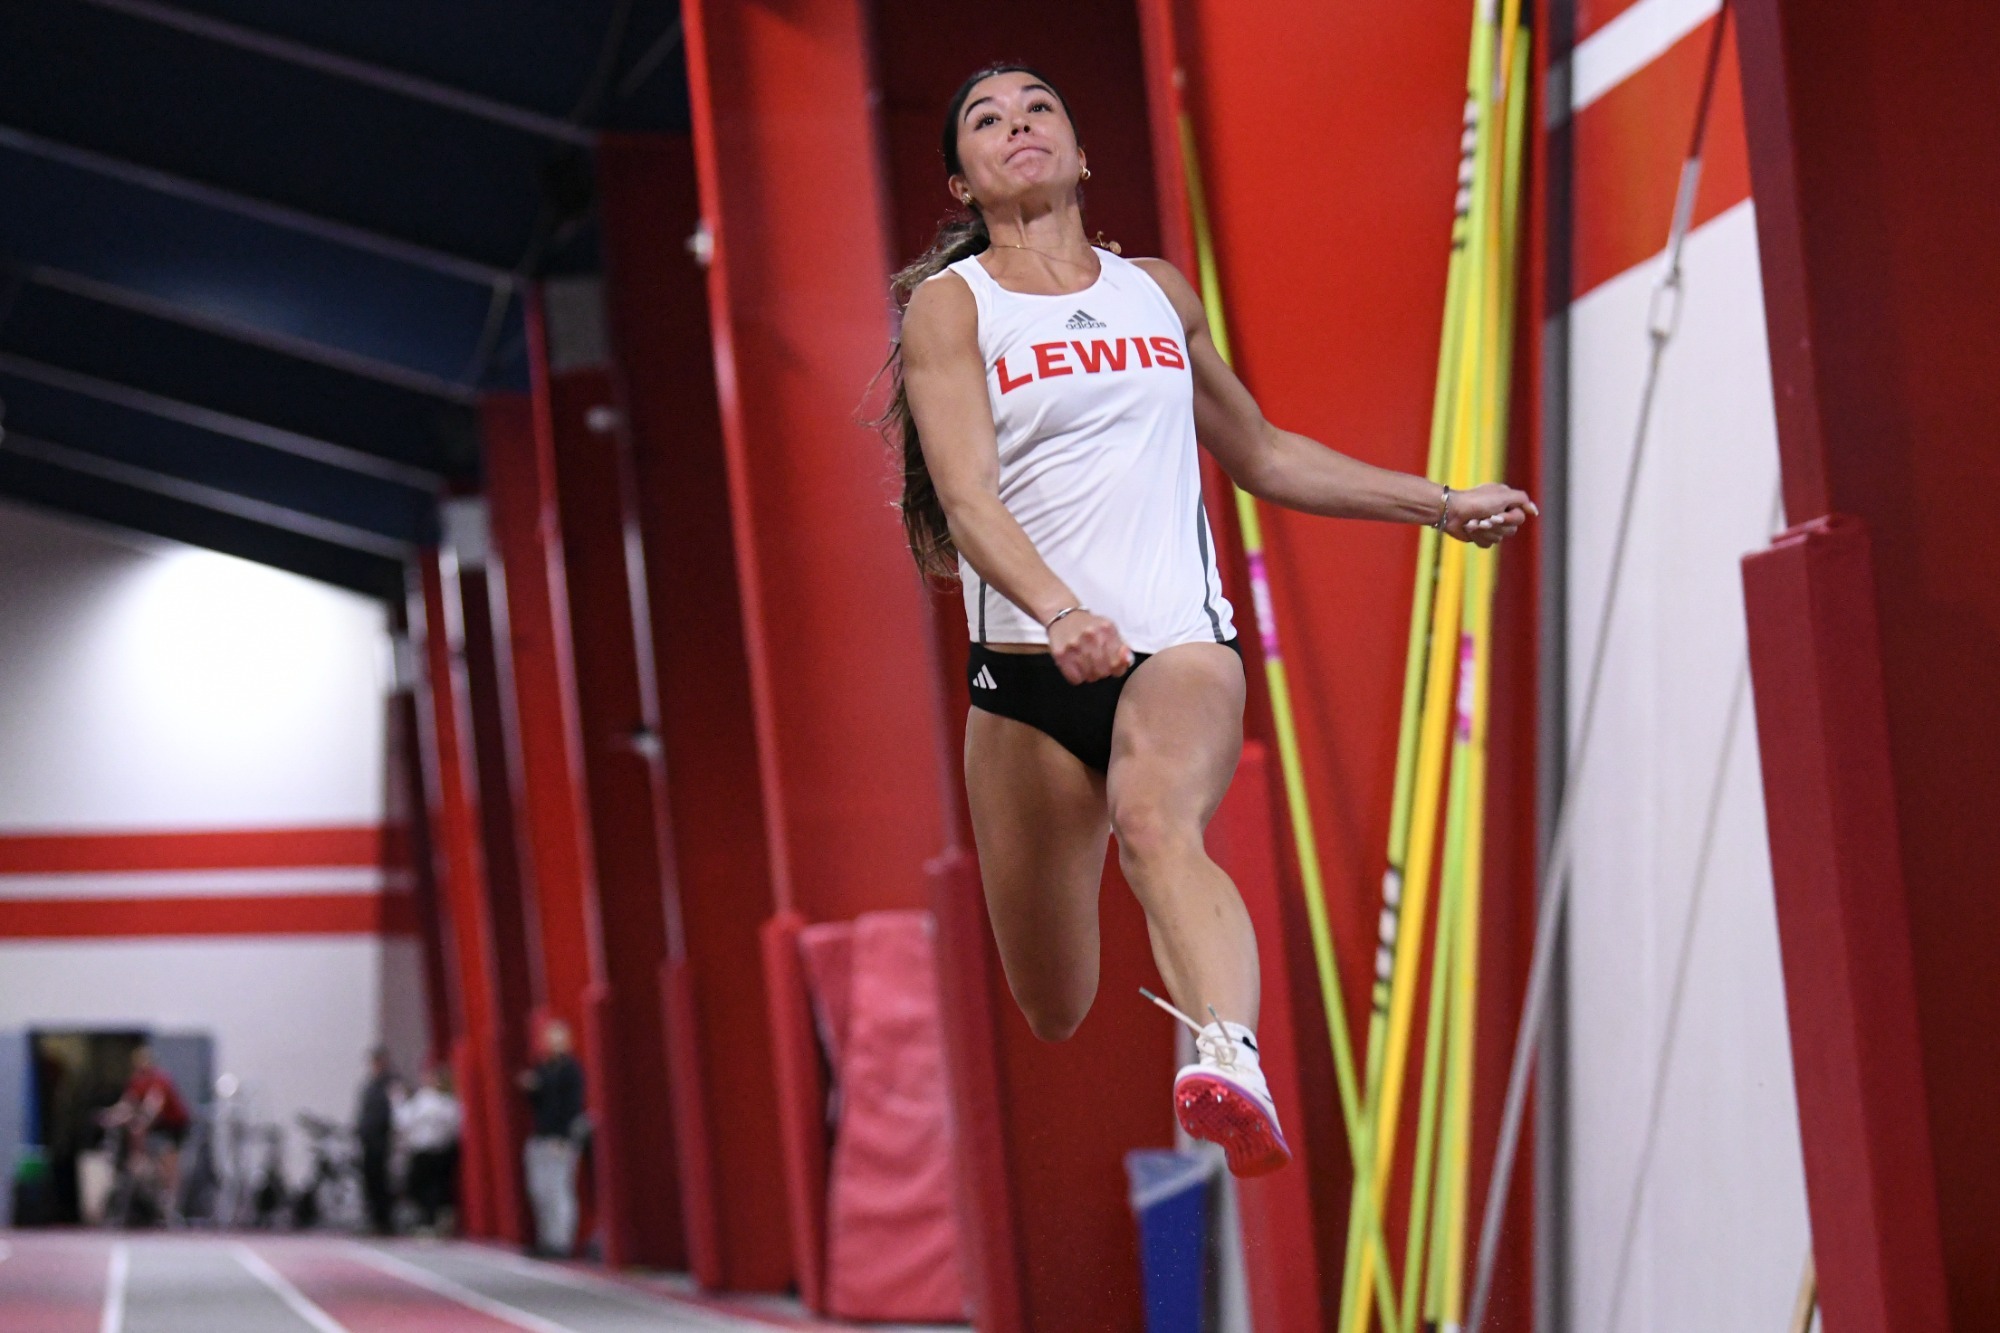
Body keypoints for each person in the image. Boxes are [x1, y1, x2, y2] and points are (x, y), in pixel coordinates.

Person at [880, 65, 1535, 1177]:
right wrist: (1057, 608)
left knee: (1155, 820)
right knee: (1053, 1002)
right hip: (1028, 675)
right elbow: (968, 497)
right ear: (962, 182)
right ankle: (1196, 1018)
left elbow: (1265, 452)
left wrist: (1436, 502)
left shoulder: (1156, 294)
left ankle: (1227, 1051)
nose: (1018, 126)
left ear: (1082, 156)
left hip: (1173, 644)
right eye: (986, 122)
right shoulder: (955, 308)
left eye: (1040, 107)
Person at [517, 1019, 586, 1256]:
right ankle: (547, 1240)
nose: (553, 1043)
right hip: (540, 1136)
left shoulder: (571, 1070)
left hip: (560, 1139)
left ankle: (562, 1242)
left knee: (559, 1190)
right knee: (539, 1190)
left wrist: (564, 1136)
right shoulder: (543, 1067)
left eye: (558, 1038)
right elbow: (537, 1102)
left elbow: (573, 1106)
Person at [104, 1043, 192, 1220]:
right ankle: (141, 1169)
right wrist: (110, 1116)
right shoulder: (137, 1081)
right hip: (158, 1126)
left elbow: (154, 1105)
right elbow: (127, 1103)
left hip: (174, 1126)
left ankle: (170, 1200)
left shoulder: (160, 1080)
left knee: (168, 1159)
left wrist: (141, 1121)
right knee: (138, 1134)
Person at [393, 1065, 462, 1235]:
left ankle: (436, 1221)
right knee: (423, 1188)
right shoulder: (422, 1100)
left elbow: (454, 1124)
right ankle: (428, 1219)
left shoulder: (444, 1101)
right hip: (425, 1150)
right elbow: (403, 1122)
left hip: (437, 1150)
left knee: (435, 1188)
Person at [355, 1047, 399, 1235]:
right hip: (368, 1141)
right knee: (370, 1181)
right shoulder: (369, 1085)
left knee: (382, 1182)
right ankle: (374, 1220)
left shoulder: (391, 1084)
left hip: (382, 1141)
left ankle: (385, 1221)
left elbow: (396, 1111)